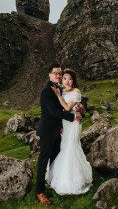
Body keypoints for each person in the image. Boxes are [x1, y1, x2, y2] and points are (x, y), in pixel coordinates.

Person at [35, 63, 82, 205]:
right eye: (55, 73)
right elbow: (55, 112)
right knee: (43, 160)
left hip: (57, 130)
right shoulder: (46, 91)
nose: (58, 75)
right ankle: (39, 192)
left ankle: (53, 182)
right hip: (47, 131)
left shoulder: (59, 89)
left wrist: (78, 107)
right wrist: (73, 118)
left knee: (55, 159)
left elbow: (64, 106)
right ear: (49, 74)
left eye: (60, 73)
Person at [46, 68, 92, 195]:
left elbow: (66, 108)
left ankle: (74, 182)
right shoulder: (62, 90)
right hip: (65, 124)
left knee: (72, 147)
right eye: (65, 78)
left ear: (74, 81)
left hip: (73, 123)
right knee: (65, 147)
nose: (67, 81)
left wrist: (58, 96)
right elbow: (59, 109)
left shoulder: (76, 92)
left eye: (70, 79)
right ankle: (62, 178)